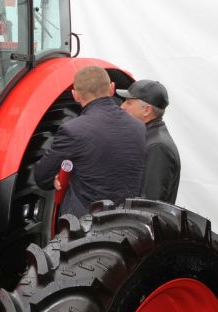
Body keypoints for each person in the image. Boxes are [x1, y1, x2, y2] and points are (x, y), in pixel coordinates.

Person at [34, 65, 146, 217]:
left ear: (75, 95)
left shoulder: (72, 130)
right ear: (112, 88)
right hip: (125, 221)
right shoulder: (139, 126)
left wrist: (54, 178)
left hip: (85, 226)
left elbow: (42, 177)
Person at [117, 79, 181, 204]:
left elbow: (149, 205)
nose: (122, 106)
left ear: (147, 110)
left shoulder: (158, 147)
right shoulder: (149, 138)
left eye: (129, 103)